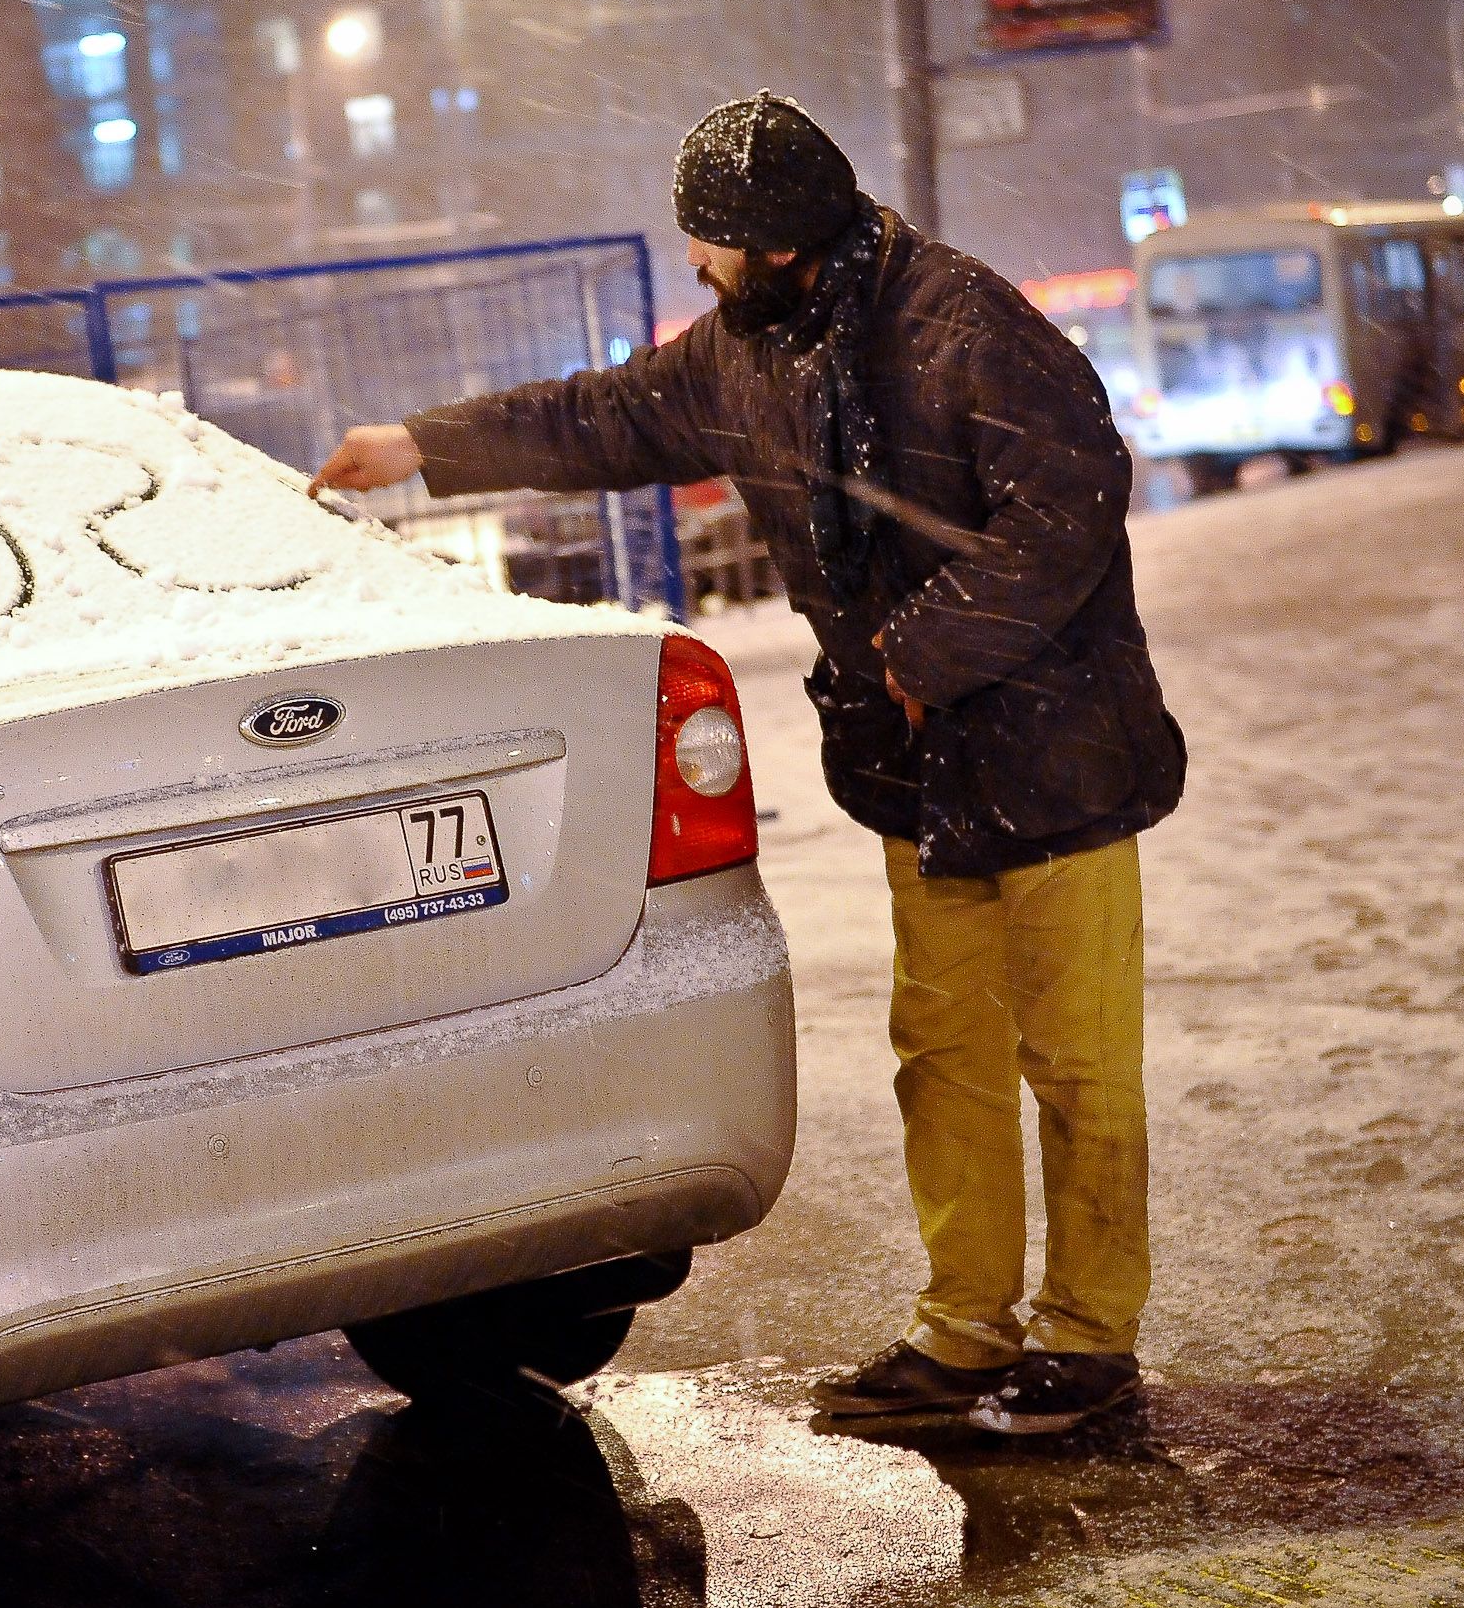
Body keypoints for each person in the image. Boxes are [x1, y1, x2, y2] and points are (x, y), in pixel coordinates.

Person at [313, 93, 1186, 1435]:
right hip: (921, 780)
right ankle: (963, 1335)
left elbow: (1069, 511)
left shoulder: (964, 324)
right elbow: (599, 419)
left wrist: (919, 653)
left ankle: (1086, 1346)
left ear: (779, 246)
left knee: (1074, 1063)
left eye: (711, 246)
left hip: (1055, 759)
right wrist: (425, 450)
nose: (698, 269)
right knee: (942, 1052)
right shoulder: (744, 355)